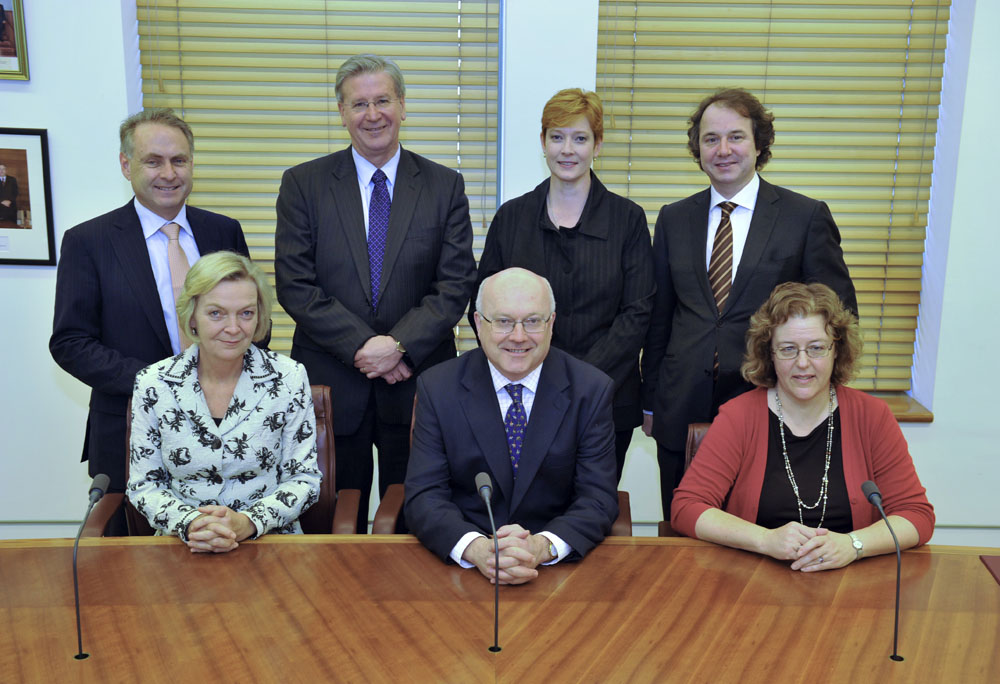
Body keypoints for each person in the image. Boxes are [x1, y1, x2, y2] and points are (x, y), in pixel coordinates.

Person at [275, 54, 476, 533]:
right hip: (332, 381)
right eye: (359, 103)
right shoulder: (304, 184)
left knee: (413, 523)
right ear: (341, 112)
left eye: (383, 100)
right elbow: (296, 284)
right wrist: (366, 347)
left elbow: (455, 284)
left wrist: (399, 344)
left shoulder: (444, 186)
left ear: (403, 105)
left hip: (417, 383)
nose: (372, 114)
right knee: (329, 526)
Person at [641, 88, 857, 520]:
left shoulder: (804, 216)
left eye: (736, 137)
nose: (723, 150)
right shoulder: (673, 217)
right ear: (697, 149)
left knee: (757, 530)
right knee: (685, 528)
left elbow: (838, 316)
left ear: (759, 144)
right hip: (680, 406)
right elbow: (659, 318)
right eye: (710, 139)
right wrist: (651, 401)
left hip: (768, 405)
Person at [50, 108, 256, 509]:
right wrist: (158, 384)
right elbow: (70, 342)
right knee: (132, 563)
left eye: (179, 160)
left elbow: (252, 321)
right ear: (126, 165)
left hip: (227, 429)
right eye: (153, 161)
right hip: (128, 427)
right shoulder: (88, 241)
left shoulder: (223, 230)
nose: (169, 173)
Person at [671, 282, 934, 571]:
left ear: (837, 350)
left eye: (817, 348)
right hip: (752, 582)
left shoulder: (872, 416)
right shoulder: (739, 416)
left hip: (850, 582)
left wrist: (853, 545)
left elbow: (916, 516)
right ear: (769, 354)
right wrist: (765, 540)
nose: (803, 363)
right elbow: (687, 507)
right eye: (788, 349)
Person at [472, 88, 654, 482]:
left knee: (590, 514)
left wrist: (578, 380)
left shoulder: (628, 220)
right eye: (557, 137)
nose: (567, 149)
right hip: (521, 395)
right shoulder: (512, 218)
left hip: (606, 397)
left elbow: (637, 314)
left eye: (580, 138)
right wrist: (536, 373)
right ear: (543, 142)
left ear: (597, 144)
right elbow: (484, 303)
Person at [405, 268, 619, 585]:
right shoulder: (439, 387)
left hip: (556, 570)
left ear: (551, 323)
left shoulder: (590, 389)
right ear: (478, 323)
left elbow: (597, 500)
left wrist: (542, 546)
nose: (518, 336)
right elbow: (425, 496)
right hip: (461, 568)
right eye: (503, 321)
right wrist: (476, 549)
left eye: (532, 321)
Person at [128, 252, 322, 552]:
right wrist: (193, 524)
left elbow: (304, 479)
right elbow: (145, 485)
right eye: (216, 313)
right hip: (182, 544)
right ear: (191, 316)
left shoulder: (288, 377)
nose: (233, 328)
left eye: (245, 313)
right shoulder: (154, 383)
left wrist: (247, 523)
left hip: (269, 541)